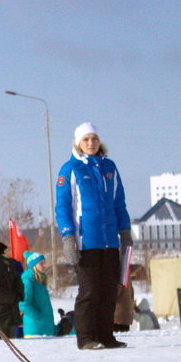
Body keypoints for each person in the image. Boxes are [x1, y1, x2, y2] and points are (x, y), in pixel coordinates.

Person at [56, 123, 133, 350]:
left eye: (94, 139)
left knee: (109, 290)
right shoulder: (70, 169)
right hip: (85, 241)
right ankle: (86, 337)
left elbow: (119, 202)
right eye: (86, 139)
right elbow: (63, 206)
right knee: (90, 291)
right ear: (78, 143)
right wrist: (68, 236)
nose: (91, 143)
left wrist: (125, 232)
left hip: (109, 240)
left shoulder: (109, 167)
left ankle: (106, 336)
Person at [19, 252, 56, 337]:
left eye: (44, 263)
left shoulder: (40, 282)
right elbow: (23, 304)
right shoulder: (28, 282)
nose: (44, 266)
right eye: (41, 263)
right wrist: (38, 316)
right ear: (34, 265)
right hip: (34, 330)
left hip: (46, 329)